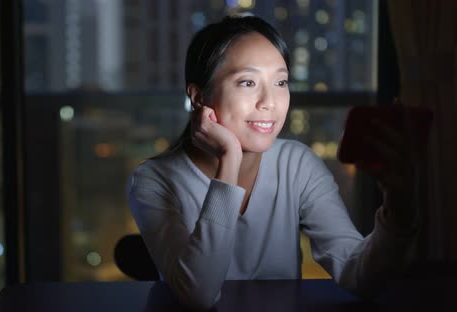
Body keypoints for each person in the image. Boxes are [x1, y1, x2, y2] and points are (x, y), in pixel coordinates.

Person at [127, 15, 417, 310]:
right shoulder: (153, 179)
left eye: (280, 82)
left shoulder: (296, 164)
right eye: (248, 82)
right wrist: (230, 159)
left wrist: (400, 208)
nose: (270, 101)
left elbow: (358, 275)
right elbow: (198, 296)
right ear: (199, 97)